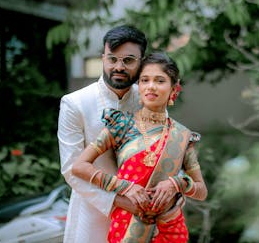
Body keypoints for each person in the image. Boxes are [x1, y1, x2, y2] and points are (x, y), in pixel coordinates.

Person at [72, 51, 208, 243]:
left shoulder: (183, 137)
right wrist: (124, 187)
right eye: (145, 80)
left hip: (170, 228)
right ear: (138, 85)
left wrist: (178, 183)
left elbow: (201, 191)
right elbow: (80, 167)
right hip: (127, 227)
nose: (151, 86)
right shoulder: (121, 125)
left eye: (160, 81)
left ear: (173, 89)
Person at [57, 25, 148, 242]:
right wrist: (121, 201)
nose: (119, 66)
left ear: (141, 62)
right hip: (93, 212)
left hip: (144, 212)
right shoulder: (75, 103)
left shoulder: (149, 99)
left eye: (128, 60)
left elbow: (168, 149)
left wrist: (173, 188)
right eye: (112, 59)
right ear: (103, 58)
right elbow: (71, 169)